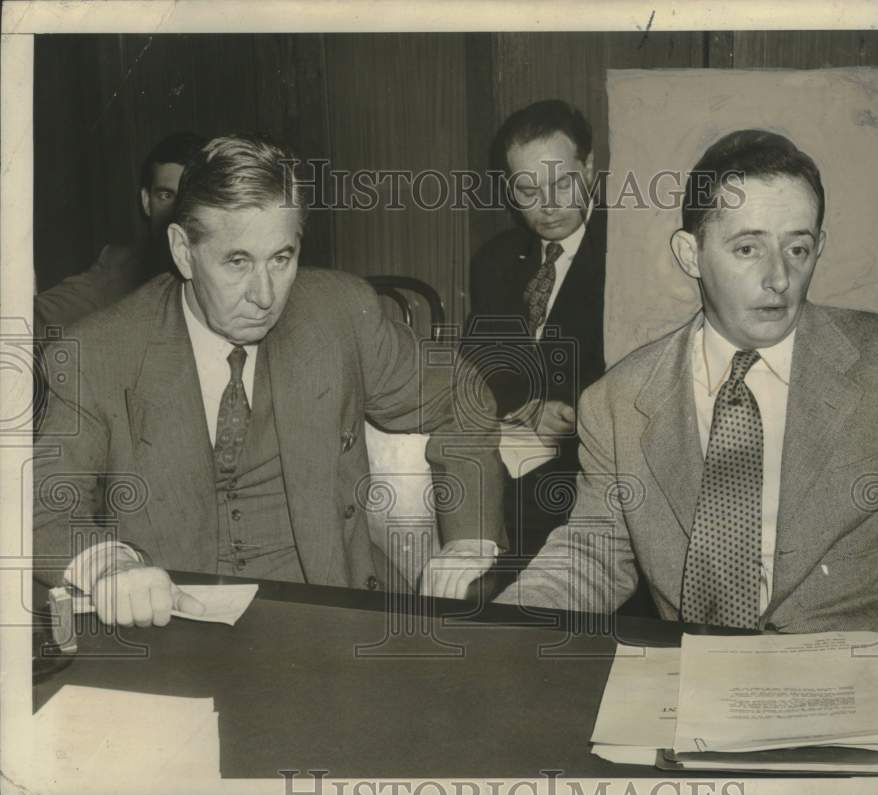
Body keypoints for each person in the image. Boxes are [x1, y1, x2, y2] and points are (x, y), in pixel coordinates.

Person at [479, 129, 878, 644]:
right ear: (691, 255)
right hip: (702, 693)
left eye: (798, 248)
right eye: (747, 247)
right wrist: (501, 638)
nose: (779, 277)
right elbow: (592, 555)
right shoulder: (617, 402)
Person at [33, 134, 506, 628]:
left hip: (333, 621)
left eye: (282, 258)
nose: (264, 295)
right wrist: (109, 565)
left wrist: (470, 540)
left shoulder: (340, 315)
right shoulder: (96, 353)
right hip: (177, 631)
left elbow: (463, 395)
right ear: (182, 250)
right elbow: (39, 505)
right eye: (237, 262)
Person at [460, 100, 606, 571]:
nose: (546, 205)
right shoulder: (495, 260)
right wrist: (527, 409)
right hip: (509, 450)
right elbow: (480, 361)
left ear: (589, 167)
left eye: (562, 183)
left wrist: (567, 410)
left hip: (590, 461)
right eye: (527, 189)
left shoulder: (627, 256)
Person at [34, 131, 207, 333]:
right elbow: (35, 317)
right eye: (166, 196)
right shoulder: (121, 270)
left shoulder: (233, 264)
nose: (178, 211)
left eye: (191, 196)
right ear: (146, 202)